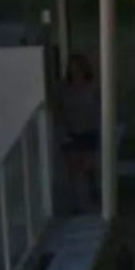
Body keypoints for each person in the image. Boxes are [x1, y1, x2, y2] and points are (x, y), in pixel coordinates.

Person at [59, 50, 102, 208]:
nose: (75, 71)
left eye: (78, 68)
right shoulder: (65, 88)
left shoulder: (92, 87)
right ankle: (75, 202)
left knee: (88, 165)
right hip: (72, 131)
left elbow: (97, 108)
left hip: (88, 130)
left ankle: (93, 189)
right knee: (73, 169)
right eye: (72, 68)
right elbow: (61, 110)